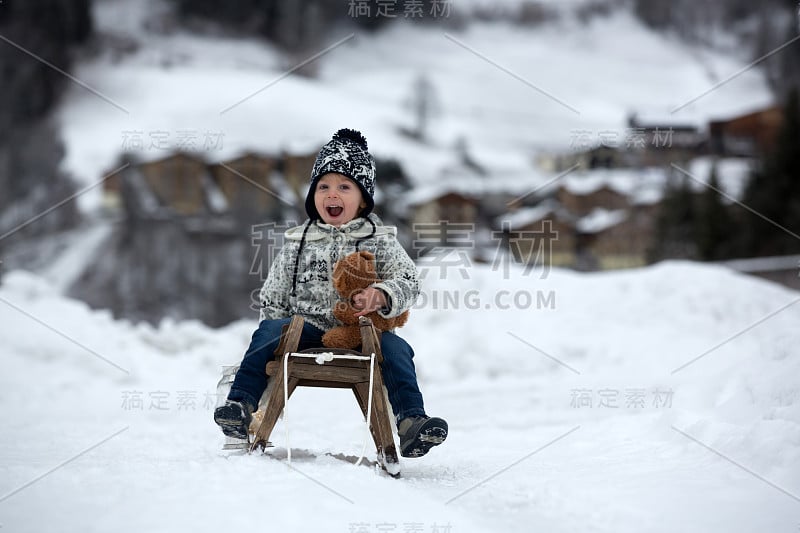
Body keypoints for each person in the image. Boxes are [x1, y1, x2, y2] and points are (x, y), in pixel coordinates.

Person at [214, 128, 447, 458]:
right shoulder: (299, 242)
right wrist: (275, 327)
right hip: (304, 329)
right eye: (323, 186)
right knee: (266, 332)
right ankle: (241, 404)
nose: (331, 194)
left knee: (397, 350)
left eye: (344, 186)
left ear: (363, 198)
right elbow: (275, 293)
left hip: (361, 332)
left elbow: (409, 279)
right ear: (312, 196)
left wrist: (381, 294)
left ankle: (411, 422)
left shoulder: (379, 239)